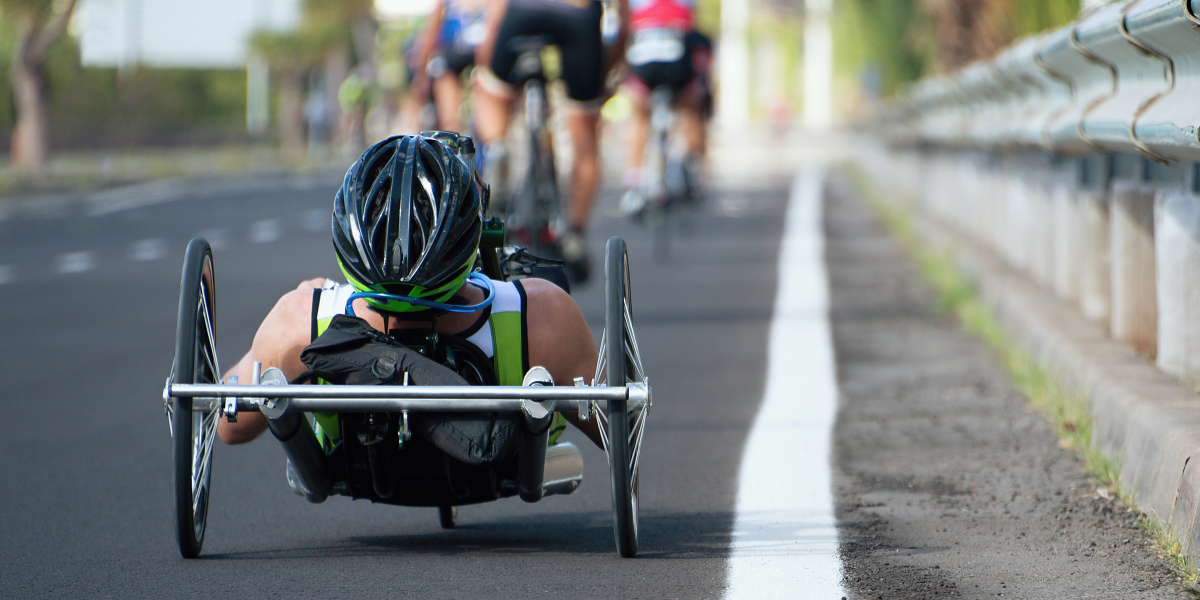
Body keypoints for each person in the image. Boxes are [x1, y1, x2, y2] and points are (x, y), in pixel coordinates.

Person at [217, 133, 603, 450]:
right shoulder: (542, 315)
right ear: (469, 235)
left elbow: (227, 427)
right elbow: (619, 430)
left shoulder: (299, 322)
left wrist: (311, 295)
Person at [472, 0, 630, 283]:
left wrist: (487, 66)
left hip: (523, 12)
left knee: (492, 97)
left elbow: (496, 11)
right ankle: (575, 236)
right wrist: (604, 72)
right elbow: (623, 20)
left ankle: (497, 152)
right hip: (578, 17)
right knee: (584, 136)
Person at [620, 0, 712, 212]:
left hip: (642, 46)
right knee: (691, 105)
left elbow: (625, 25)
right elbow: (692, 21)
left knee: (639, 114)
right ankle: (693, 165)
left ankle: (633, 180)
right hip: (678, 45)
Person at [412, 0, 491, 134]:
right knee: (488, 80)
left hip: (459, 46)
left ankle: (451, 130)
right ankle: (492, 139)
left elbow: (432, 30)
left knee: (443, 72)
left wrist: (421, 71)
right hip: (488, 45)